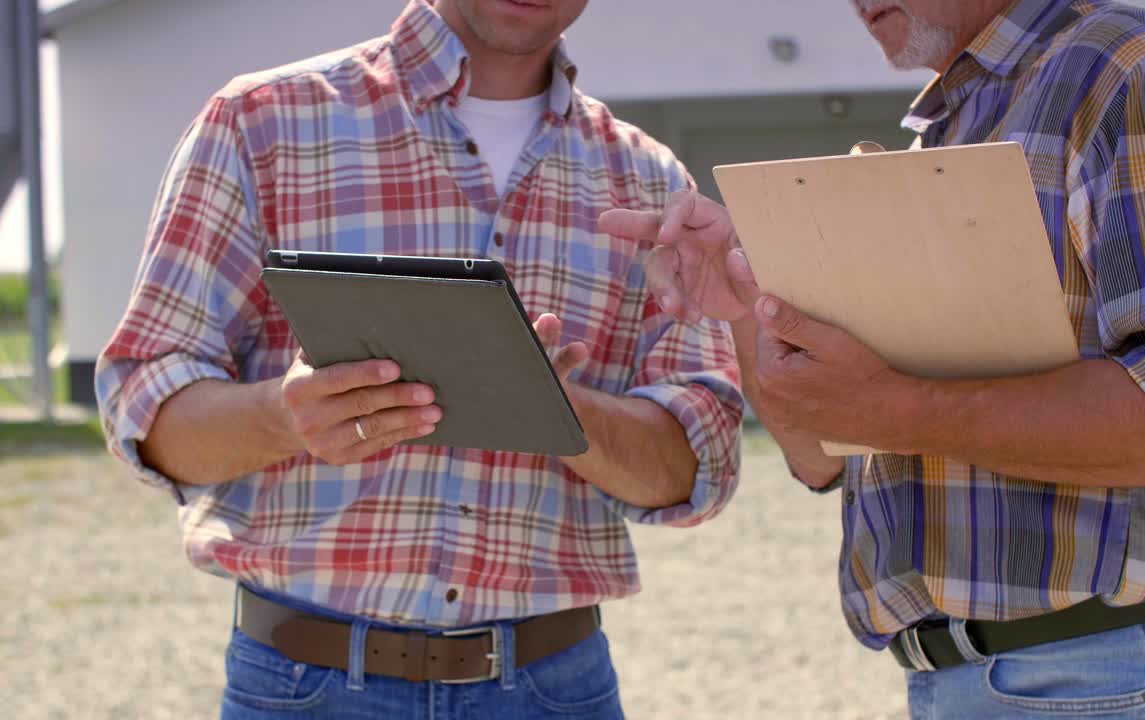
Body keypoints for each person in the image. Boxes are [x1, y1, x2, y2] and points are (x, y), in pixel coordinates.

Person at [601, 0, 1145, 716]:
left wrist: (893, 407)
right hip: (1007, 677)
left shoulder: (1135, 70)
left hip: (1131, 668)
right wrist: (745, 300)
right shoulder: (961, 121)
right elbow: (819, 458)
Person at [95, 1, 743, 717]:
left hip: (553, 691)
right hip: (305, 691)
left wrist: (557, 408)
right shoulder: (262, 122)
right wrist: (286, 418)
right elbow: (146, 409)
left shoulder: (650, 183)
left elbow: (697, 470)